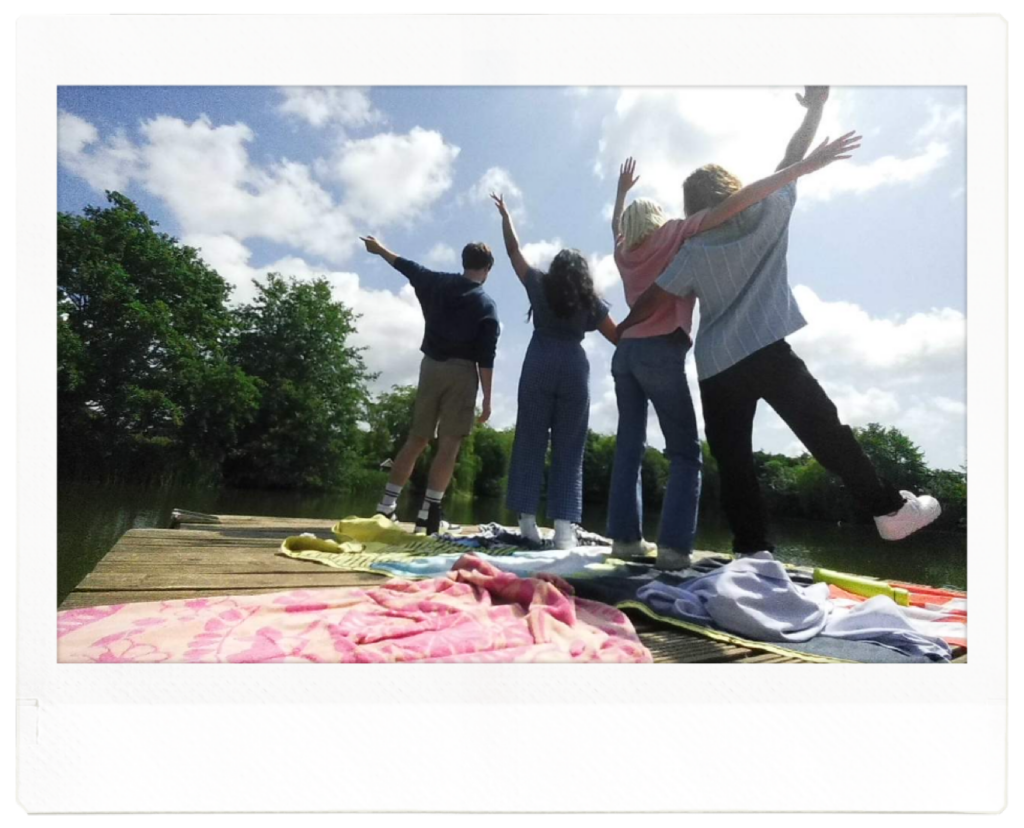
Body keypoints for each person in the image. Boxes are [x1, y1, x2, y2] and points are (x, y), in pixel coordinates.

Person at [617, 86, 940, 558]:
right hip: (766, 348)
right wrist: (816, 109)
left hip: (716, 366)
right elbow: (792, 157)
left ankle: (753, 551)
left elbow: (654, 299)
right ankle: (889, 511)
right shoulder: (771, 209)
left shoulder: (692, 250)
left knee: (735, 463)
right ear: (732, 188)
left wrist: (624, 325)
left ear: (692, 208)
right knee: (824, 431)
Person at [606, 131, 860, 569]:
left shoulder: (622, 254)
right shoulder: (677, 235)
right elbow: (737, 203)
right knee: (685, 452)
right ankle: (673, 551)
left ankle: (625, 541)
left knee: (628, 445)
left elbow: (616, 227)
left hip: (623, 355)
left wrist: (620, 194)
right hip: (660, 351)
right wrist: (800, 168)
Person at [491, 193, 618, 550]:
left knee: (530, 440)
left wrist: (505, 216)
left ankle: (527, 525)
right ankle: (564, 530)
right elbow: (619, 337)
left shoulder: (539, 283)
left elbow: (514, 251)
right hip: (575, 367)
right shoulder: (591, 301)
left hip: (540, 361)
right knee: (570, 446)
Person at [361, 235, 499, 535]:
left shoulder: (436, 283)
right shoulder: (486, 305)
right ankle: (428, 515)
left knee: (417, 438)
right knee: (449, 444)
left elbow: (407, 266)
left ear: (464, 262)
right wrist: (488, 399)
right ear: (488, 268)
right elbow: (486, 358)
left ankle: (386, 507)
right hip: (462, 373)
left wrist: (380, 248)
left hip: (431, 367)